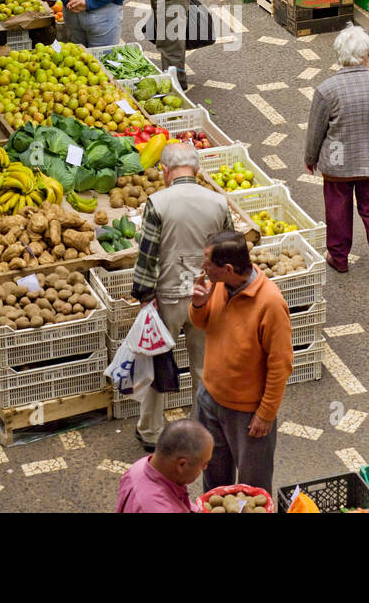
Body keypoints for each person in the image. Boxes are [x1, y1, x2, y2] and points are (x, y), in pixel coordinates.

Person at [130, 142, 232, 450]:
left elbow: (147, 256)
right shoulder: (218, 202)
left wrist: (145, 296)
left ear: (164, 171)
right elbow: (230, 247)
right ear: (198, 170)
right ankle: (201, 429)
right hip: (207, 293)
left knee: (156, 361)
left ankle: (150, 431)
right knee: (204, 365)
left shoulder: (158, 202)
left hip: (169, 296)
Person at [190, 232, 293, 495]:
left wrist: (266, 413)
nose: (203, 267)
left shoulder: (270, 303)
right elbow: (203, 324)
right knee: (213, 482)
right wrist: (199, 304)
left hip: (247, 415)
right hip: (209, 399)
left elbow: (280, 365)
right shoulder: (218, 285)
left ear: (227, 269)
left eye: (207, 262)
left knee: (252, 491)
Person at [305, 24, 369, 288]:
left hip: (337, 164)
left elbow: (316, 130)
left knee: (338, 211)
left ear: (340, 54)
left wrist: (310, 157)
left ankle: (339, 258)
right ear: (366, 54)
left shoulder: (327, 89)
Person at [116, 419, 214, 513]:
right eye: (203, 464)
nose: (205, 468)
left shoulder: (138, 467)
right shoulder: (163, 509)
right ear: (182, 464)